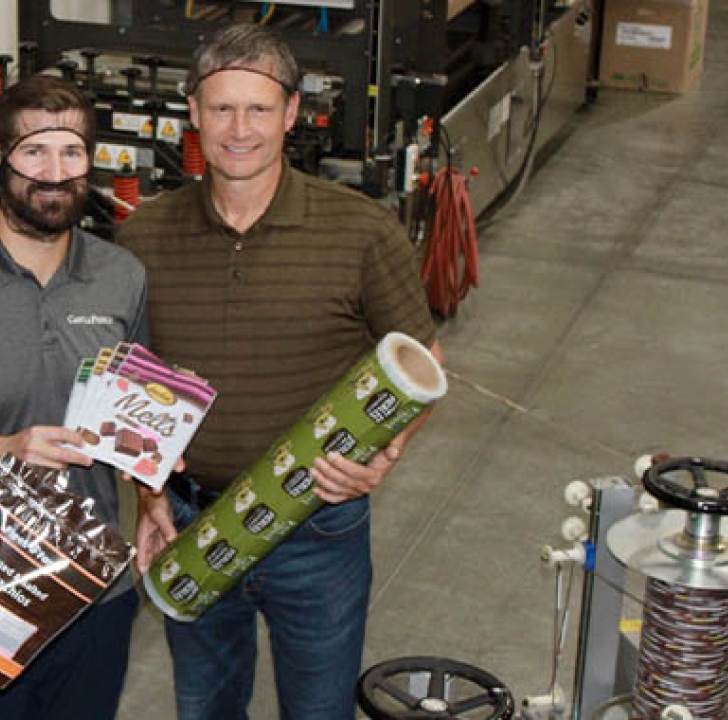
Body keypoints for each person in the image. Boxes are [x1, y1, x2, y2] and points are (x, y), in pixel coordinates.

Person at [116, 24, 444, 720]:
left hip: (316, 530)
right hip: (192, 522)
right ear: (194, 112)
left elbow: (423, 359)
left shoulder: (359, 230)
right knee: (205, 708)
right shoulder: (143, 234)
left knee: (319, 710)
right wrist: (146, 496)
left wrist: (383, 457)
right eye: (223, 108)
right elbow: (134, 379)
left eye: (259, 109)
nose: (240, 129)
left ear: (292, 113)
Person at [0, 75, 148, 720]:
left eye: (71, 152)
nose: (55, 172)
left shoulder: (122, 277)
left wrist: (154, 489)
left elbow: (135, 411)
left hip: (98, 592)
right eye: (35, 152)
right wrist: (6, 448)